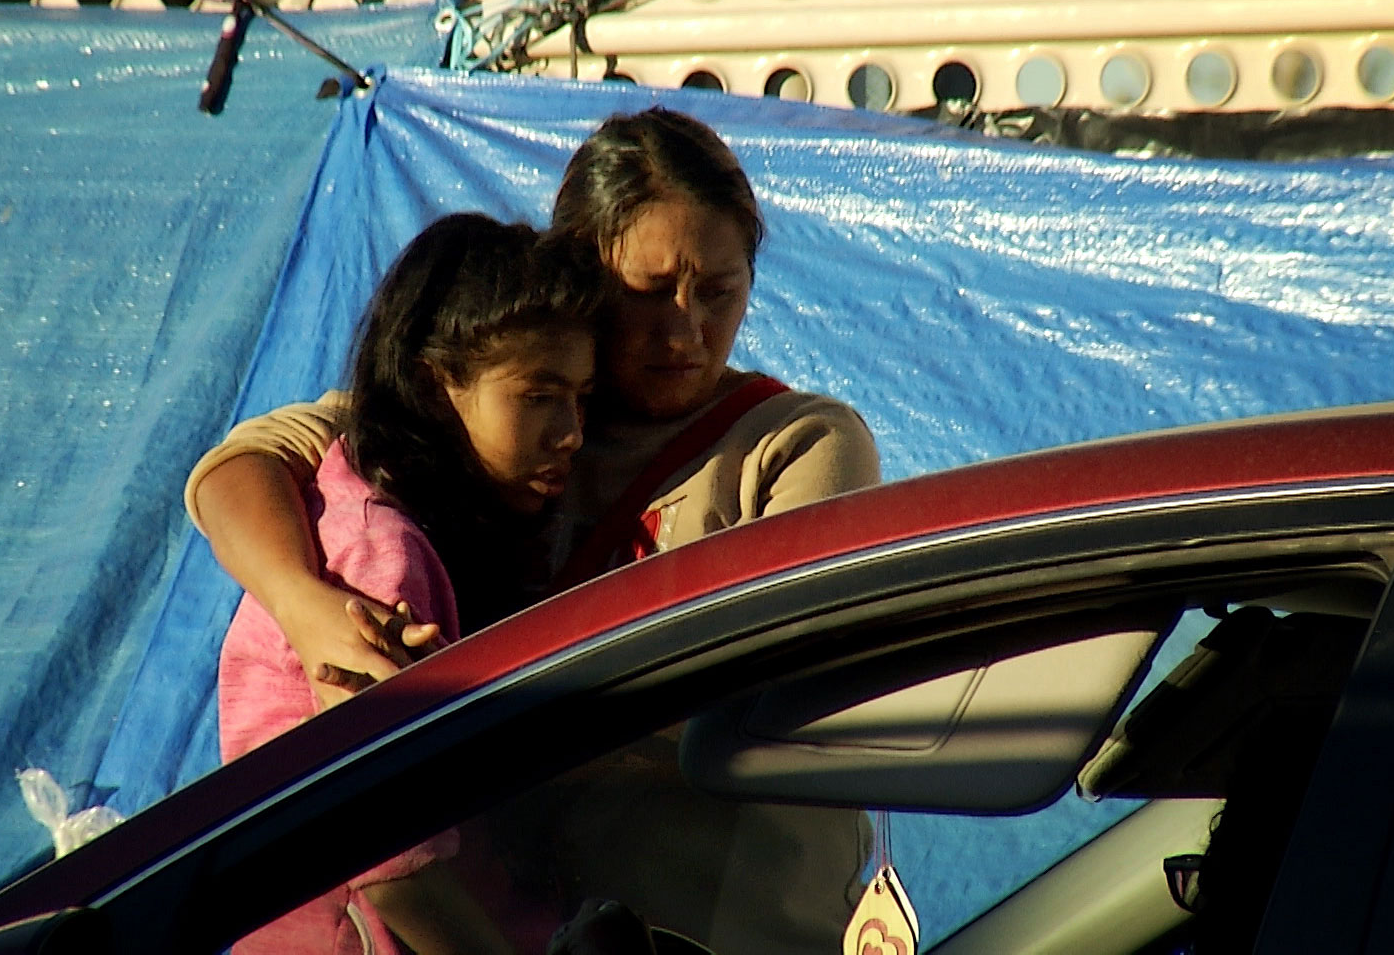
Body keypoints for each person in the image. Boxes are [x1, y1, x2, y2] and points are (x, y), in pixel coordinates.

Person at [187, 107, 882, 705]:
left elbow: (779, 681)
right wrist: (302, 602)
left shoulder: (799, 445)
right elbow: (238, 468)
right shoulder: (493, 410)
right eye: (648, 289)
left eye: (718, 292)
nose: (685, 331)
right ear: (579, 276)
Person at [218, 213, 605, 955]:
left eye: (583, 399)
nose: (572, 433)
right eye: (538, 396)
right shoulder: (378, 561)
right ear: (435, 387)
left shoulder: (378, 507)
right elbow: (391, 860)